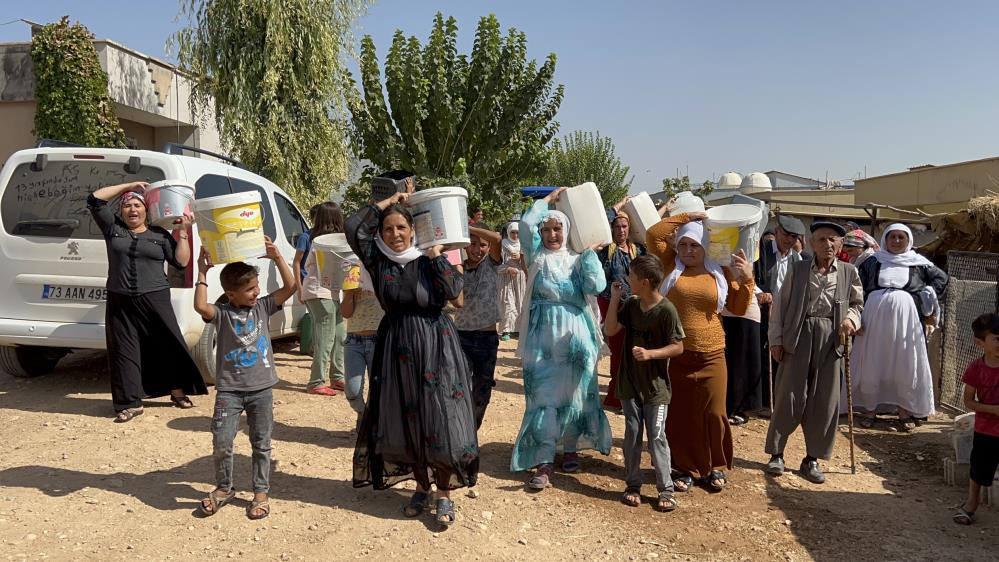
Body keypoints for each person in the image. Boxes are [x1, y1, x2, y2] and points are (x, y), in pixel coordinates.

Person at [345, 188, 477, 529]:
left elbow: (453, 293)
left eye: (401, 228)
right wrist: (390, 202)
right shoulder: (378, 260)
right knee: (407, 416)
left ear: (413, 229)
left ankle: (444, 492)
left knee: (440, 416)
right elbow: (353, 226)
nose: (395, 234)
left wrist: (435, 256)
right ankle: (421, 486)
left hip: (436, 345)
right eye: (388, 229)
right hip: (397, 346)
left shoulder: (431, 256)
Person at [511, 187, 612, 490]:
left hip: (577, 337)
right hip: (542, 338)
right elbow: (527, 224)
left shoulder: (578, 260)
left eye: (558, 228)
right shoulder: (536, 256)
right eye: (548, 229)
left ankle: (570, 449)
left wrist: (591, 254)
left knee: (575, 395)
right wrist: (550, 200)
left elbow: (597, 285)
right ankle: (543, 460)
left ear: (567, 231)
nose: (552, 234)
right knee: (543, 397)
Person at [646, 214, 754, 493]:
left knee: (715, 413)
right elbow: (654, 234)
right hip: (677, 353)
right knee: (681, 414)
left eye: (694, 245)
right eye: (683, 245)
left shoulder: (720, 270)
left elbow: (739, 308)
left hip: (712, 353)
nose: (688, 251)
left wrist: (748, 279)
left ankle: (716, 466)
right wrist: (689, 216)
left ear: (705, 246)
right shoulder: (670, 265)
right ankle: (685, 467)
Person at [193, 236, 298, 520]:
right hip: (230, 391)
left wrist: (277, 257)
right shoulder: (223, 314)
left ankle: (261, 493)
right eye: (249, 289)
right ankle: (224, 488)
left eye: (256, 287)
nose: (256, 292)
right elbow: (201, 307)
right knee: (222, 441)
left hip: (261, 389)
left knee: (261, 444)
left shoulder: (262, 307)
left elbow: (291, 287)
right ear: (231, 294)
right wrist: (203, 272)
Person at [87, 181, 206, 422]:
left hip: (155, 296)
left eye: (138, 205)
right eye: (128, 205)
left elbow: (181, 261)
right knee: (124, 350)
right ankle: (130, 403)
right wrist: (129, 185)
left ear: (146, 210)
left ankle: (177, 390)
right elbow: (95, 200)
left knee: (168, 343)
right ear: (121, 210)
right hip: (120, 298)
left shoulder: (159, 235)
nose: (132, 210)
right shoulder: (113, 229)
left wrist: (182, 232)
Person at [764, 222, 863, 484]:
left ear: (841, 244)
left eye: (833, 240)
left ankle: (812, 459)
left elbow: (857, 304)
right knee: (790, 394)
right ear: (811, 243)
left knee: (824, 400)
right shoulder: (798, 269)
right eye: (821, 240)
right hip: (799, 333)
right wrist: (776, 338)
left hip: (832, 338)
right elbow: (781, 305)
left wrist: (851, 320)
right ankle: (777, 453)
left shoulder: (848, 271)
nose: (827, 245)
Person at [603, 255, 684, 512]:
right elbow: (610, 330)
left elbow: (678, 346)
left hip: (655, 388)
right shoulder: (632, 305)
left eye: (632, 276)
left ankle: (666, 489)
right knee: (632, 433)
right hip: (630, 384)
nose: (628, 279)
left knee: (657, 435)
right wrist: (615, 299)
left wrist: (651, 354)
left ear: (645, 282)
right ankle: (633, 484)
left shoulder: (666, 310)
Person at [848, 224, 948, 430]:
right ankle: (869, 410)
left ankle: (905, 411)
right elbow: (856, 288)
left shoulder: (919, 263)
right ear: (885, 239)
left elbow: (942, 280)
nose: (895, 241)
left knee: (905, 362)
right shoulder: (872, 262)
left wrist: (926, 297)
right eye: (892, 237)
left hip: (906, 321)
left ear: (908, 240)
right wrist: (856, 317)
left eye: (900, 237)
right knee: (872, 361)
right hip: (873, 320)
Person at [597, 196, 647, 410]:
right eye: (617, 226)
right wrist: (618, 205)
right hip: (613, 306)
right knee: (618, 351)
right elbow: (600, 222)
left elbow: (652, 230)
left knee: (636, 350)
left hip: (636, 307)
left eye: (625, 226)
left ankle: (634, 393)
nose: (621, 231)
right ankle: (616, 396)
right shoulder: (606, 251)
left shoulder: (639, 250)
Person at [453, 224, 505, 429]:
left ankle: (471, 431)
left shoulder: (491, 264)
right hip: (461, 337)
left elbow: (498, 240)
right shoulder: (458, 267)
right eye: (472, 244)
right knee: (460, 386)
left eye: (482, 245)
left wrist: (468, 227)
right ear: (465, 246)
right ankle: (458, 429)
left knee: (482, 389)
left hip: (486, 339)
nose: (477, 249)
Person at [756, 215, 808, 415]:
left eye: (794, 237)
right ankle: (763, 401)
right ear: (776, 231)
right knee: (762, 355)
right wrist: (760, 293)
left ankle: (779, 400)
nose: (789, 240)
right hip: (762, 310)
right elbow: (749, 277)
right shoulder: (760, 253)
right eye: (786, 234)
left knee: (782, 355)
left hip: (785, 315)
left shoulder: (797, 259)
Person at [953, 313, 999, 525]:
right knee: (979, 469)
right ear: (980, 342)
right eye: (996, 338)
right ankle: (971, 503)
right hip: (986, 430)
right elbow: (968, 402)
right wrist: (992, 410)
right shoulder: (975, 369)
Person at [300, 202, 347, 395]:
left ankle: (337, 377)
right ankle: (316, 381)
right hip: (320, 292)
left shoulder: (318, 238)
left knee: (339, 336)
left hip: (328, 293)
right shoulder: (327, 241)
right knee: (326, 338)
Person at [339, 262, 384, 428]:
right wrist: (350, 294)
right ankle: (364, 414)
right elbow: (345, 313)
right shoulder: (352, 272)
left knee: (379, 389)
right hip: (353, 340)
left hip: (379, 339)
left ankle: (373, 426)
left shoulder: (383, 270)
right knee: (352, 391)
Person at [498, 222, 526, 341]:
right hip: (506, 275)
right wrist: (508, 269)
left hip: (519, 276)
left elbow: (528, 261)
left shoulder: (523, 245)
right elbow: (497, 261)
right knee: (507, 302)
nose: (515, 235)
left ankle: (518, 329)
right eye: (513, 232)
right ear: (508, 233)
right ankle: (506, 330)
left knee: (520, 301)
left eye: (517, 233)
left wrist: (521, 257)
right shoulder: (503, 244)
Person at [291, 204, 320, 282]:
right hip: (308, 283)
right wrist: (299, 287)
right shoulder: (305, 238)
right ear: (312, 219)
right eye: (318, 218)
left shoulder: (325, 237)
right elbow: (296, 262)